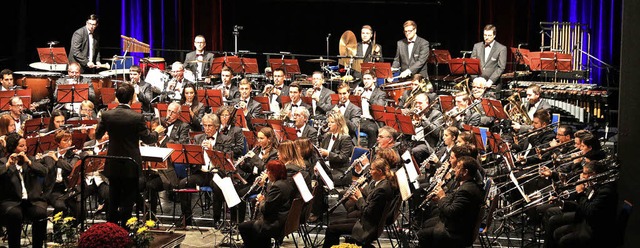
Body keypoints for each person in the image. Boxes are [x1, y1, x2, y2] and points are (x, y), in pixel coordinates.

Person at [95, 83, 161, 226]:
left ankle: (111, 231)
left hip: (113, 162)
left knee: (113, 199)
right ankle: (125, 232)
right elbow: (148, 139)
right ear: (132, 98)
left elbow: (97, 134)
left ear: (116, 97)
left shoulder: (106, 115)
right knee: (128, 201)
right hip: (131, 164)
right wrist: (158, 132)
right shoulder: (137, 117)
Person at [323, 158, 396, 248]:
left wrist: (359, 197)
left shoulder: (382, 189)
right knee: (332, 225)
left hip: (367, 227)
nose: (369, 172)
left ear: (379, 171)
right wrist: (355, 200)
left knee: (331, 229)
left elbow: (368, 212)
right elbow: (370, 206)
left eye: (372, 169)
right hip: (366, 221)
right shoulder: (381, 184)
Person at [417, 156, 485, 248]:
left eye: (457, 168)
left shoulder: (466, 190)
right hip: (459, 225)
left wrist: (441, 197)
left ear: (465, 172)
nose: (454, 170)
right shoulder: (469, 184)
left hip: (458, 232)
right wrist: (439, 198)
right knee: (427, 223)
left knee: (423, 234)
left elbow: (450, 211)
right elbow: (453, 198)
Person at [0, 133, 48, 248]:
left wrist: (29, 162)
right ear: (13, 147)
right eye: (21, 146)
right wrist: (7, 165)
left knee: (41, 213)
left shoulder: (30, 159)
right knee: (15, 214)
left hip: (31, 201)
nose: (25, 148)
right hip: (11, 201)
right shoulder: (3, 161)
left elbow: (44, 171)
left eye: (25, 145)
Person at [238, 160, 294, 247]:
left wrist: (261, 201)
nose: (267, 173)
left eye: (268, 171)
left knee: (243, 227)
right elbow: (272, 201)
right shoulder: (286, 182)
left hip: (274, 223)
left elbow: (266, 210)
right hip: (282, 219)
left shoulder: (277, 187)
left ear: (274, 173)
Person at [318, 111, 354, 186]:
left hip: (340, 171)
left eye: (332, 122)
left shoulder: (345, 138)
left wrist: (328, 153)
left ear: (339, 124)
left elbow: (343, 157)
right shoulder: (326, 136)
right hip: (328, 168)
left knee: (320, 179)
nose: (329, 124)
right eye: (329, 122)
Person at [471, 24, 507, 90]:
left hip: (492, 84)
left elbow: (501, 67)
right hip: (477, 84)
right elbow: (472, 64)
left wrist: (490, 81)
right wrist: (475, 80)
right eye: (485, 35)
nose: (486, 37)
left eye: (489, 35)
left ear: (494, 35)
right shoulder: (477, 46)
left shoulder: (501, 48)